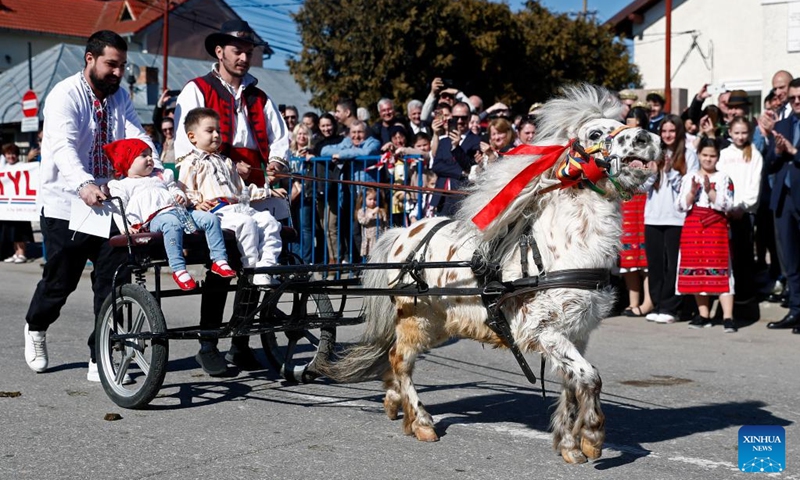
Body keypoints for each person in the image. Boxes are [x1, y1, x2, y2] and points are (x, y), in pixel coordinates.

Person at [23, 30, 159, 381]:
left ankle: (101, 355)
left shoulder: (120, 97)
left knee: (114, 281)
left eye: (122, 66)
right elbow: (63, 148)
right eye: (111, 64)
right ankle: (36, 327)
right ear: (90, 59)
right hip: (66, 204)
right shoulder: (64, 96)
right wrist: (83, 183)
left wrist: (152, 162)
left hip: (109, 202)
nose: (117, 72)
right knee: (60, 283)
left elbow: (137, 136)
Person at [173, 20, 290, 373]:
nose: (243, 57)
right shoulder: (196, 90)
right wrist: (206, 180)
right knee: (222, 264)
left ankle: (241, 339)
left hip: (249, 186)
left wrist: (277, 164)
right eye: (237, 50)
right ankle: (208, 343)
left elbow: (278, 137)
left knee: (258, 252)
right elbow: (184, 145)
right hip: (210, 184)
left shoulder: (259, 96)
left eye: (248, 52)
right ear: (219, 52)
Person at [177, 107, 286, 370]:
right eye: (210, 130)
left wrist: (268, 192)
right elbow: (182, 190)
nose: (216, 135)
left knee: (270, 223)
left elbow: (242, 191)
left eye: (219, 130)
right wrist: (195, 203)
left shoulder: (226, 162)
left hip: (239, 208)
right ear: (192, 136)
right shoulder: (190, 162)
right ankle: (208, 345)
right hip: (218, 217)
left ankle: (264, 269)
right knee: (232, 254)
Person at [105, 138, 236, 290]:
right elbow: (117, 209)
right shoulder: (123, 185)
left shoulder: (161, 176)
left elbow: (174, 189)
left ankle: (219, 260)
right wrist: (125, 228)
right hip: (156, 219)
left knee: (210, 218)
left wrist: (180, 195)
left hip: (181, 212)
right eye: (143, 155)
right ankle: (178, 269)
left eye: (150, 155)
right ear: (128, 161)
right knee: (171, 223)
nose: (150, 159)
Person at [676, 138, 737, 332]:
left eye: (712, 156)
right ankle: (704, 314)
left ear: (718, 157)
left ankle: (728, 316)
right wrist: (692, 193)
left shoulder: (724, 177)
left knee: (722, 271)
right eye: (705, 155)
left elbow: (728, 205)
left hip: (715, 228)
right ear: (699, 155)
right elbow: (680, 205)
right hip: (693, 228)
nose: (708, 159)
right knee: (697, 271)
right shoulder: (689, 177)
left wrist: (710, 192)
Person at [644, 114, 698, 324]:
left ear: (678, 133)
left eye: (672, 131)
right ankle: (657, 304)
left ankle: (671, 307)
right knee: (655, 264)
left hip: (677, 218)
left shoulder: (689, 154)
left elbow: (689, 186)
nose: (667, 135)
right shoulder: (654, 153)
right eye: (664, 131)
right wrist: (653, 172)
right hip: (653, 217)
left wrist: (671, 171)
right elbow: (643, 187)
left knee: (673, 264)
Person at [764, 77, 800, 333]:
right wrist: (777, 152)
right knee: (790, 260)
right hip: (783, 200)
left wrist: (795, 152)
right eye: (793, 98)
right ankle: (796, 310)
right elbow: (769, 165)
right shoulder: (784, 124)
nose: (796, 102)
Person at [717, 117, 763, 304]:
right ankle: (725, 293)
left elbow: (754, 185)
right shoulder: (724, 154)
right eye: (736, 132)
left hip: (745, 213)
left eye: (744, 132)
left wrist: (743, 206)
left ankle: (745, 295)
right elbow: (720, 179)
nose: (740, 136)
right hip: (725, 211)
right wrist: (724, 205)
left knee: (744, 254)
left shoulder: (755, 155)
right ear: (729, 133)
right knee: (726, 254)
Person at [619, 107, 654, 317]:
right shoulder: (620, 147)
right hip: (625, 202)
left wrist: (636, 177)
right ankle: (633, 302)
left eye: (637, 124)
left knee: (645, 256)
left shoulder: (650, 146)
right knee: (628, 255)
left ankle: (648, 301)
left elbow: (652, 177)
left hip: (644, 202)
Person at [430, 101, 481, 215]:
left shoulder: (477, 141)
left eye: (463, 118)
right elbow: (436, 166)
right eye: (456, 118)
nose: (459, 121)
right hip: (442, 197)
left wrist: (456, 147)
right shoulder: (443, 141)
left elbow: (470, 167)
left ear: (469, 118)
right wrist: (461, 173)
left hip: (462, 196)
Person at [1, 144, 34, 263]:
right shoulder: (3, 168)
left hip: (21, 204)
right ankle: (15, 252)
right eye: (9, 154)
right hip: (8, 206)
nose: (11, 156)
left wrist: (29, 159)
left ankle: (22, 252)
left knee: (20, 230)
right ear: (5, 155)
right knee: (10, 230)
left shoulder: (22, 166)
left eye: (13, 154)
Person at [355, 187, 387, 258]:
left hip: (379, 237)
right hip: (368, 239)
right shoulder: (362, 211)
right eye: (370, 199)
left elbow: (385, 224)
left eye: (375, 199)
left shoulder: (381, 211)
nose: (373, 201)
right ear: (364, 199)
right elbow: (363, 221)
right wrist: (372, 213)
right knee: (369, 257)